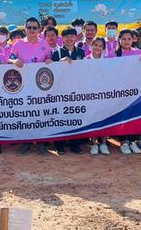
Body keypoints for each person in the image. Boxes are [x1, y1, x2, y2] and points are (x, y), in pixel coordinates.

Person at [9, 17, 53, 155]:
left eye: (35, 28)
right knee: (25, 112)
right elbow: (9, 58)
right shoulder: (18, 44)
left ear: (39, 29)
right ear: (25, 29)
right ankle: (26, 143)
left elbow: (49, 58)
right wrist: (14, 61)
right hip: (22, 84)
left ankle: (41, 143)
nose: (32, 30)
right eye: (29, 27)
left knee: (40, 112)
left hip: (40, 84)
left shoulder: (45, 44)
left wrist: (49, 60)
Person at [109, 29, 141, 154]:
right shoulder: (112, 55)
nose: (126, 41)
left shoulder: (140, 54)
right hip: (119, 92)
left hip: (135, 92)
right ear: (119, 40)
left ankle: (133, 140)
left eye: (129, 39)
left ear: (133, 39)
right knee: (122, 115)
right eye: (123, 39)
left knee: (134, 114)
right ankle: (124, 141)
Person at [52, 27, 86, 154]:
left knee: (75, 116)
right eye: (66, 36)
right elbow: (52, 71)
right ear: (62, 38)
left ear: (76, 37)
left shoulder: (81, 52)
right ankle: (59, 145)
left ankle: (74, 144)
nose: (69, 39)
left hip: (77, 89)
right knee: (60, 117)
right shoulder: (57, 53)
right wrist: (59, 63)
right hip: (61, 90)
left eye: (72, 36)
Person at [86, 37, 111, 155]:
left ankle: (104, 143)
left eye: (100, 46)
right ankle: (94, 144)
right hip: (91, 94)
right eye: (95, 45)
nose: (97, 48)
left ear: (103, 48)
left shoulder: (107, 60)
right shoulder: (85, 60)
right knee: (93, 118)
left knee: (104, 118)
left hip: (104, 94)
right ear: (91, 46)